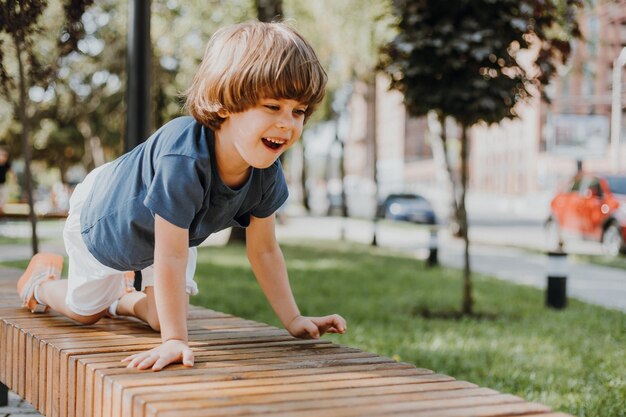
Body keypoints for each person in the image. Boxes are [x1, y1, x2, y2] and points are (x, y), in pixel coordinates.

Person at [17, 21, 346, 372]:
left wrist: (293, 318)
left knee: (163, 318)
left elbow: (264, 249)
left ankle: (124, 296)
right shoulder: (184, 159)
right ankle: (39, 285)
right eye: (272, 106)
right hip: (106, 222)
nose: (288, 123)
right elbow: (171, 255)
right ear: (225, 105)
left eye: (298, 111)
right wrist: (176, 341)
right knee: (84, 313)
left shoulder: (266, 174)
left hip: (170, 233)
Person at [0, 147, 11, 214]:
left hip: (3, 184)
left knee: (4, 198)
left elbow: (11, 171)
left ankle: (1, 210)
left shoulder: (6, 164)